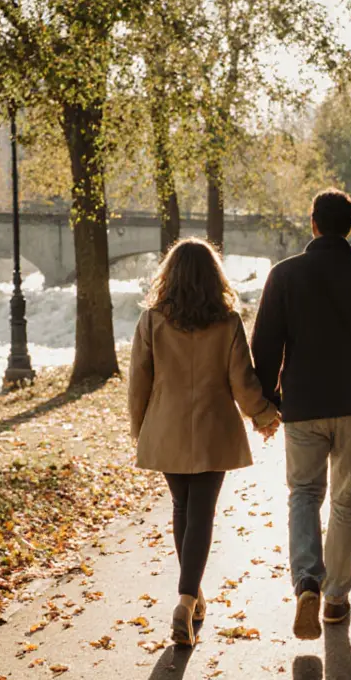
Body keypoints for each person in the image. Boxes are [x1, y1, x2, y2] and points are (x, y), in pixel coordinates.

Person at [251, 189, 351, 640]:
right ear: (350, 227)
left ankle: (307, 580)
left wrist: (266, 402)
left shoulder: (284, 276)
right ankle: (337, 597)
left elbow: (264, 345)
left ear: (313, 223)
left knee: (303, 493)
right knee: (348, 498)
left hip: (302, 404)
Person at [128, 238, 281, 647]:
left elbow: (138, 382)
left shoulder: (151, 321)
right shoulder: (227, 321)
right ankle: (186, 599)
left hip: (166, 426)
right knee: (202, 513)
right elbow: (242, 382)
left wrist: (140, 430)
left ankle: (189, 597)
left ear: (169, 275)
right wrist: (265, 416)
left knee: (183, 508)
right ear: (215, 277)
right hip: (214, 428)